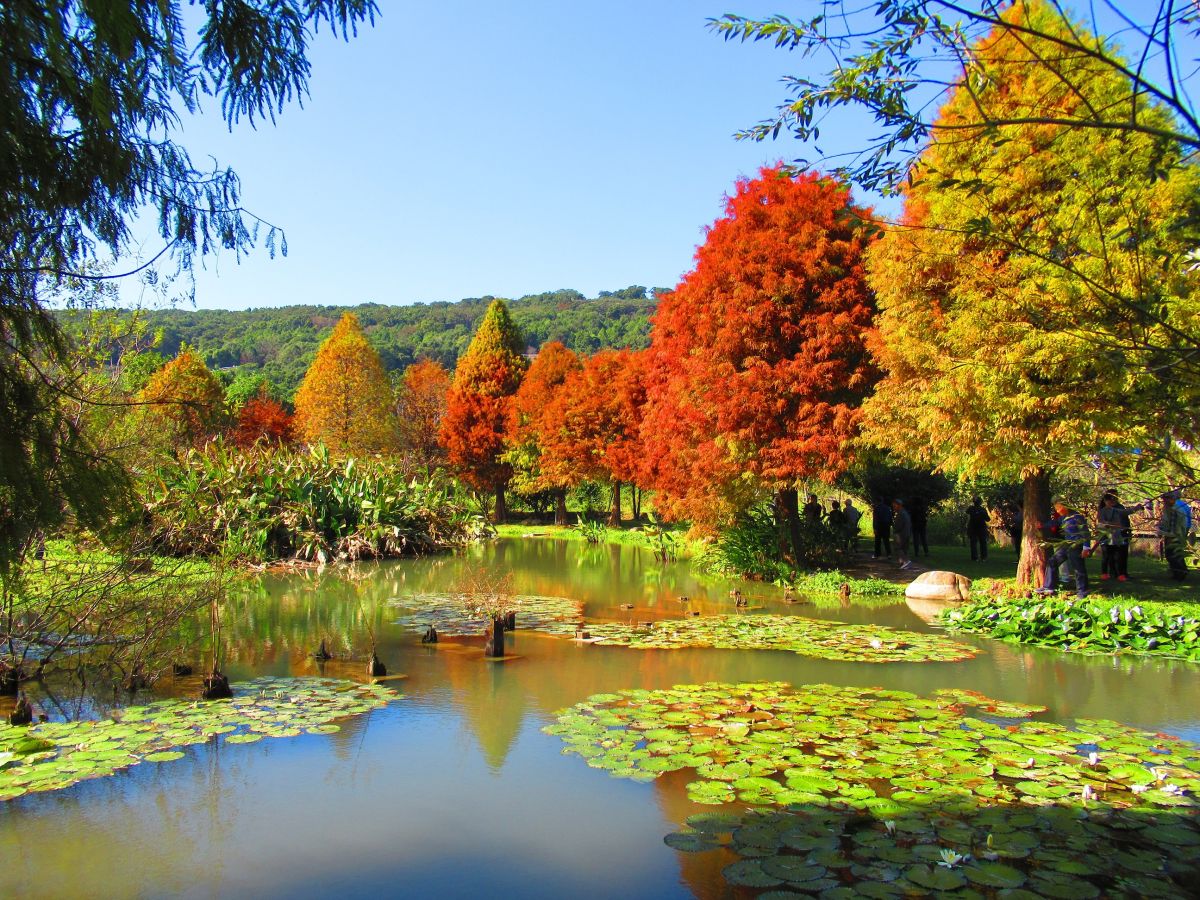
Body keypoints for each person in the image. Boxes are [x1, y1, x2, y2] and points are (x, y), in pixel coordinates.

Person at [1036, 499, 1091, 598]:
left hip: (1076, 545)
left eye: (1058, 508)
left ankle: (1082, 591)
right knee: (1052, 561)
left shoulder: (1077, 517)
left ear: (1065, 506)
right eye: (1056, 509)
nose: (1057, 511)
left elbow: (1085, 532)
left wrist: (1086, 547)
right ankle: (1048, 587)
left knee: (1078, 568)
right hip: (1066, 545)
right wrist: (1042, 525)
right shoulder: (1063, 518)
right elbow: (1055, 522)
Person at [1096, 492, 1131, 582]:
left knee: (1118, 556)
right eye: (1110, 500)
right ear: (1105, 501)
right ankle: (1104, 573)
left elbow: (1125, 514)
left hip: (1116, 536)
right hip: (1105, 536)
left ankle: (1120, 574)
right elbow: (1101, 524)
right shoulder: (1102, 511)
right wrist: (1110, 525)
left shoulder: (1117, 510)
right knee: (1106, 556)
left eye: (1113, 500)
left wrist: (1137, 508)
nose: (1112, 502)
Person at [1158, 491, 1190, 581]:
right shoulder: (1168, 508)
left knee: (1174, 555)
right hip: (1171, 534)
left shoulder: (1176, 511)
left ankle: (1180, 573)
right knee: (1170, 554)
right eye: (1164, 500)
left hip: (1176, 535)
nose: (1164, 502)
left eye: (1166, 499)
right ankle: (1178, 572)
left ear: (1172, 499)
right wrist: (1161, 528)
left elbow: (1174, 529)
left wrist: (1162, 533)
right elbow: (1166, 522)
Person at [966, 496, 990, 561]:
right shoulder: (983, 510)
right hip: (981, 527)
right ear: (980, 502)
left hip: (973, 527)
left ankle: (974, 557)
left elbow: (967, 513)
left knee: (973, 543)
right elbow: (988, 519)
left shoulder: (970, 509)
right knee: (983, 543)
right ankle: (983, 557)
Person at [892, 499, 914, 570]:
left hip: (901, 534)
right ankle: (904, 563)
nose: (894, 508)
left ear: (899, 505)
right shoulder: (905, 513)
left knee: (898, 548)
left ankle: (906, 561)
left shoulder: (901, 514)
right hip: (906, 533)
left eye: (895, 506)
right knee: (904, 549)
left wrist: (896, 533)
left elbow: (898, 526)